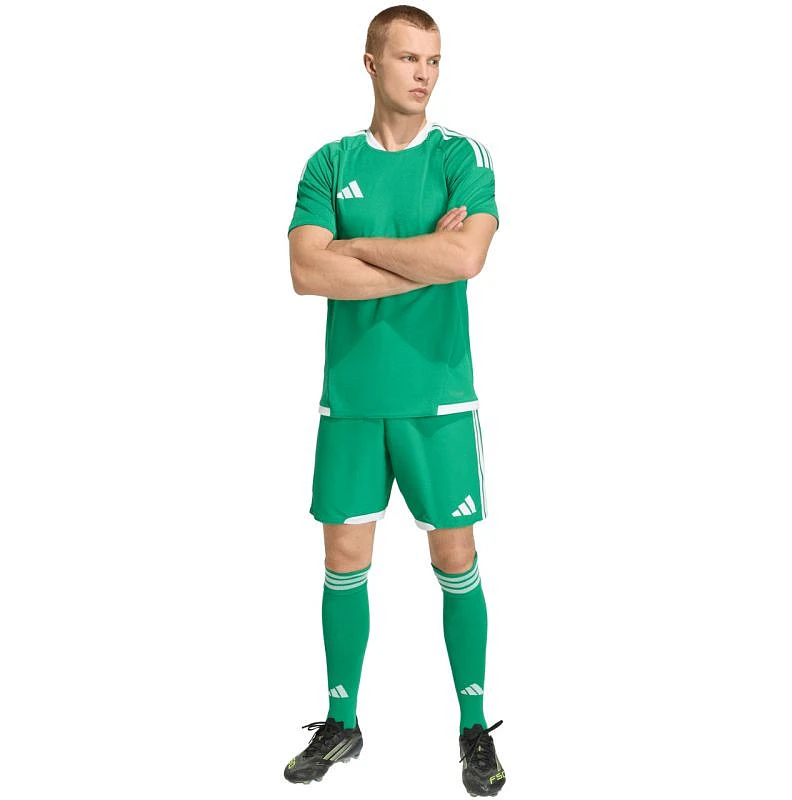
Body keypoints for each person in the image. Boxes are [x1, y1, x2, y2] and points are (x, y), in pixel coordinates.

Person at [284, 5, 505, 796]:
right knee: (343, 560)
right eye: (409, 58)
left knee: (455, 558)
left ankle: (473, 726)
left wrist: (356, 247)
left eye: (434, 60)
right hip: (351, 400)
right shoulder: (329, 162)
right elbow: (307, 271)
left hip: (437, 400)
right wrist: (421, 256)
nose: (424, 74)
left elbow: (465, 257)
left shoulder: (460, 156)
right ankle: (342, 722)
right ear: (372, 63)